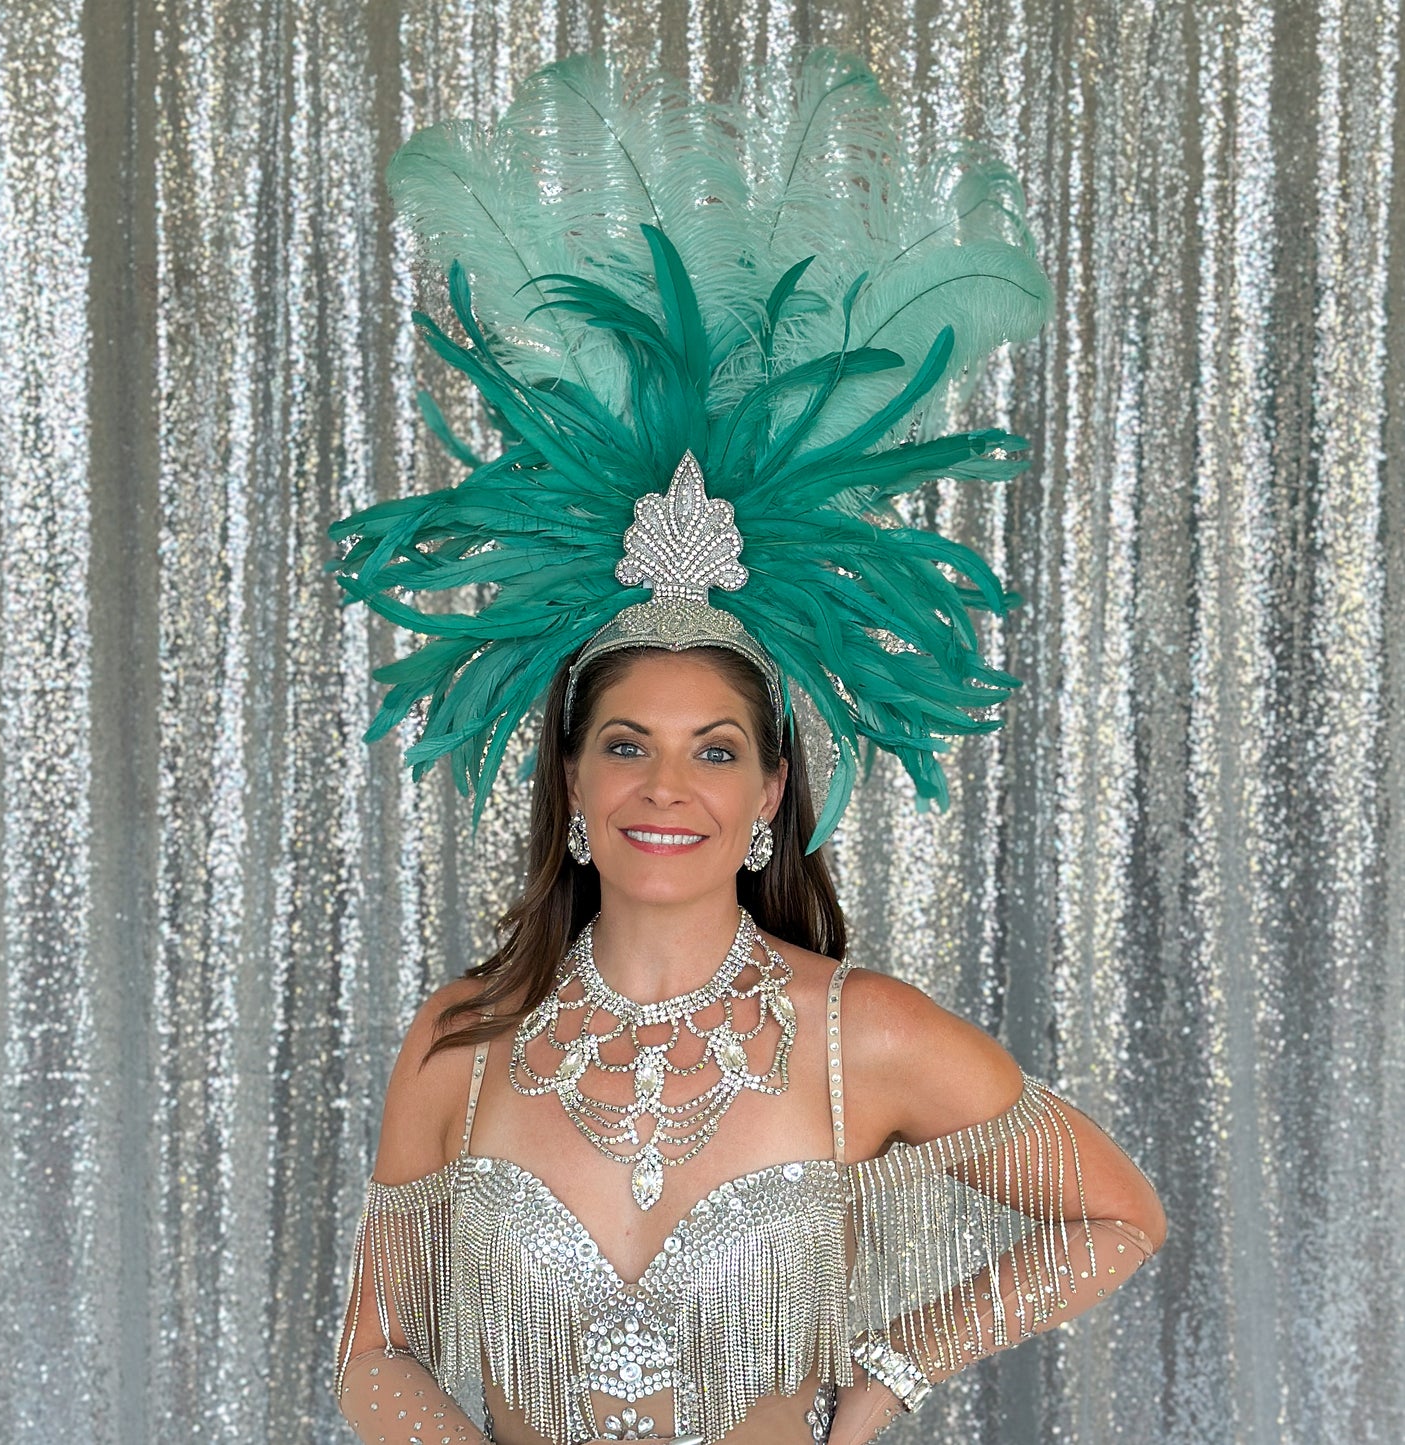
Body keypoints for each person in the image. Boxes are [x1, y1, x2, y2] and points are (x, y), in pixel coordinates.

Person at [328, 49, 1165, 1445]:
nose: (668, 784)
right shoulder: (461, 1040)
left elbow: (1113, 1212)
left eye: (716, 750)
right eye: (627, 744)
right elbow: (375, 1348)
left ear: (770, 789)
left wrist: (888, 1373)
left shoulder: (861, 1034)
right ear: (572, 783)